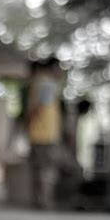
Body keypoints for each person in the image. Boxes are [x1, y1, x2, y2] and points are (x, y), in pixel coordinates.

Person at [27, 57, 63, 209]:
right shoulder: (47, 83)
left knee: (38, 168)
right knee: (46, 169)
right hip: (45, 133)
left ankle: (39, 200)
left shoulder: (37, 82)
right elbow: (40, 107)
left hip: (38, 133)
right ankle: (45, 201)